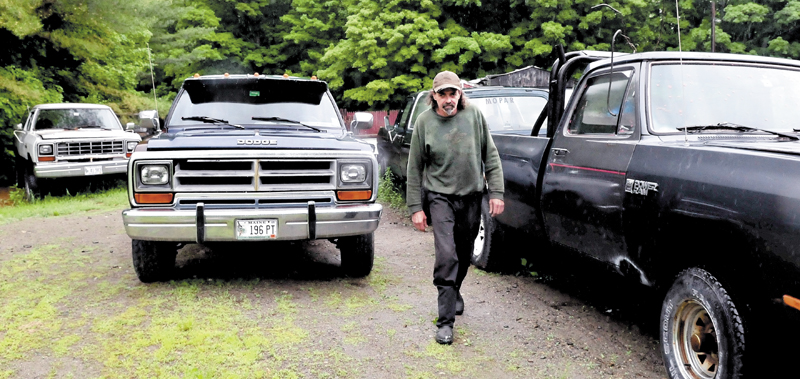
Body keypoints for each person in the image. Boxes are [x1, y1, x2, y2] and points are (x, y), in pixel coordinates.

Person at [406, 70, 505, 345]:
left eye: (453, 93)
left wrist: (496, 192)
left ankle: (455, 289)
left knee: (463, 252)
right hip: (440, 198)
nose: (448, 99)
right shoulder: (424, 122)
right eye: (443, 94)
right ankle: (445, 322)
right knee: (447, 255)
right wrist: (415, 207)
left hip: (472, 196)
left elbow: (491, 155)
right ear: (434, 96)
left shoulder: (474, 116)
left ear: (460, 94)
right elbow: (414, 168)